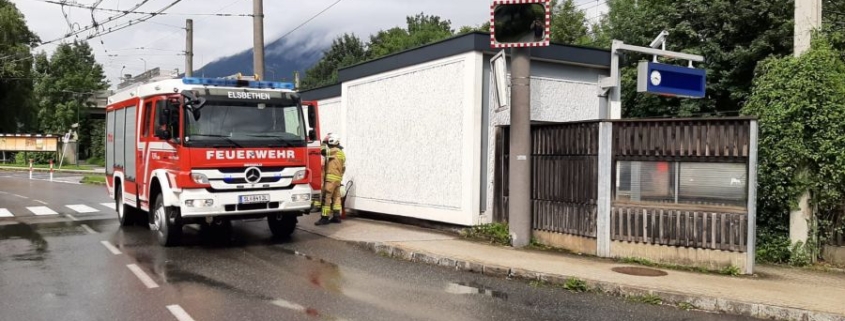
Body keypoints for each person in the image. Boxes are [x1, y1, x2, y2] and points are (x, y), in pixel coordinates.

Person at [315, 133, 346, 226]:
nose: (328, 143)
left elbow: (322, 151)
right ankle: (336, 216)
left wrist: (323, 142)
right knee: (336, 198)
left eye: (329, 141)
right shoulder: (341, 153)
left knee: (326, 197)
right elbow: (343, 168)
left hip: (330, 180)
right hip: (338, 179)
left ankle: (324, 218)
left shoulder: (334, 150)